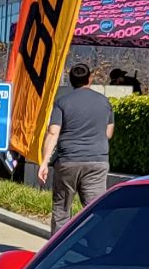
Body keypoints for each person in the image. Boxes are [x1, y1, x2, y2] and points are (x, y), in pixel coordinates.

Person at [40, 63, 114, 232]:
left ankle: (58, 246)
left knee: (61, 210)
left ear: (71, 80)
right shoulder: (105, 102)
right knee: (95, 210)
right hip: (97, 162)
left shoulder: (62, 103)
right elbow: (108, 133)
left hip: (68, 161)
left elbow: (53, 133)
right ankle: (98, 244)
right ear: (90, 79)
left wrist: (44, 162)